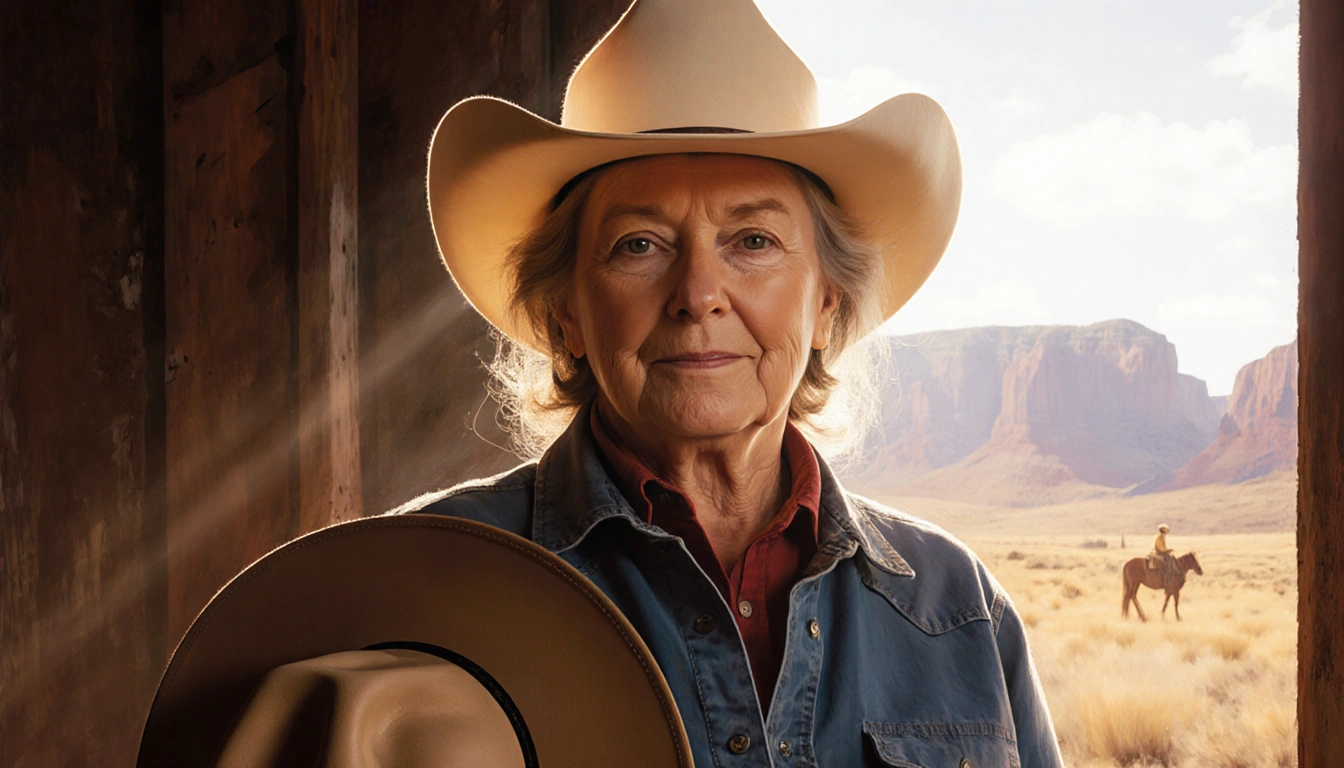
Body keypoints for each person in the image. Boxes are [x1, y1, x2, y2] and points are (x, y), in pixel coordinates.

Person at [408, 0, 1066, 765]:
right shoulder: (427, 580)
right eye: (639, 244)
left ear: (826, 304)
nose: (698, 291)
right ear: (567, 317)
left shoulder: (960, 612)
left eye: (752, 240)